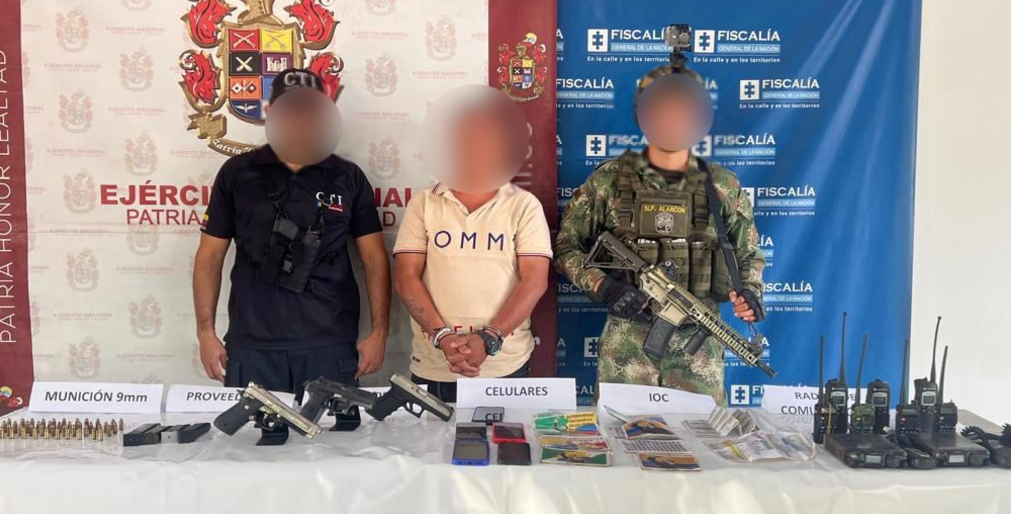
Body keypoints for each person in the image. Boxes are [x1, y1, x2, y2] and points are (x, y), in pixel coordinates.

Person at [555, 37, 765, 404]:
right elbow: (566, 247)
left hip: (698, 351)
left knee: (702, 437)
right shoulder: (610, 180)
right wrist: (604, 286)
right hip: (626, 349)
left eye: (683, 113)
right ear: (645, 116)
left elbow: (748, 255)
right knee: (619, 435)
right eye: (664, 112)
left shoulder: (722, 186)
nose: (673, 121)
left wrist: (749, 293)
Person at [192, 68, 391, 399]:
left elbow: (374, 259)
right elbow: (209, 256)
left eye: (311, 110)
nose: (301, 119)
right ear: (271, 112)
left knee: (332, 433)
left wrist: (380, 332)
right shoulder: (238, 173)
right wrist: (205, 332)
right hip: (252, 344)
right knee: (253, 434)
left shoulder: (347, 176)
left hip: (330, 341)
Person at [392, 87, 551, 403]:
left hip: (505, 364)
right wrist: (442, 337)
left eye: (483, 138)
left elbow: (535, 280)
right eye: (465, 137)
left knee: (506, 438)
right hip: (435, 363)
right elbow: (406, 277)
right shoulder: (424, 203)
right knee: (428, 437)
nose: (474, 146)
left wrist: (489, 339)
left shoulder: (523, 205)